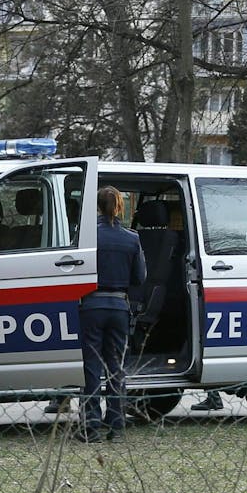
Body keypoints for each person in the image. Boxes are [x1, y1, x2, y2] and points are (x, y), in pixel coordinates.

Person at [78, 186, 146, 441]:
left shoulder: (88, 237)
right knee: (116, 368)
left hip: (92, 305)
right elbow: (140, 278)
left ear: (96, 206)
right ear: (120, 207)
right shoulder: (131, 238)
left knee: (92, 367)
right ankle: (116, 426)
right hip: (119, 306)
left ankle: (91, 426)